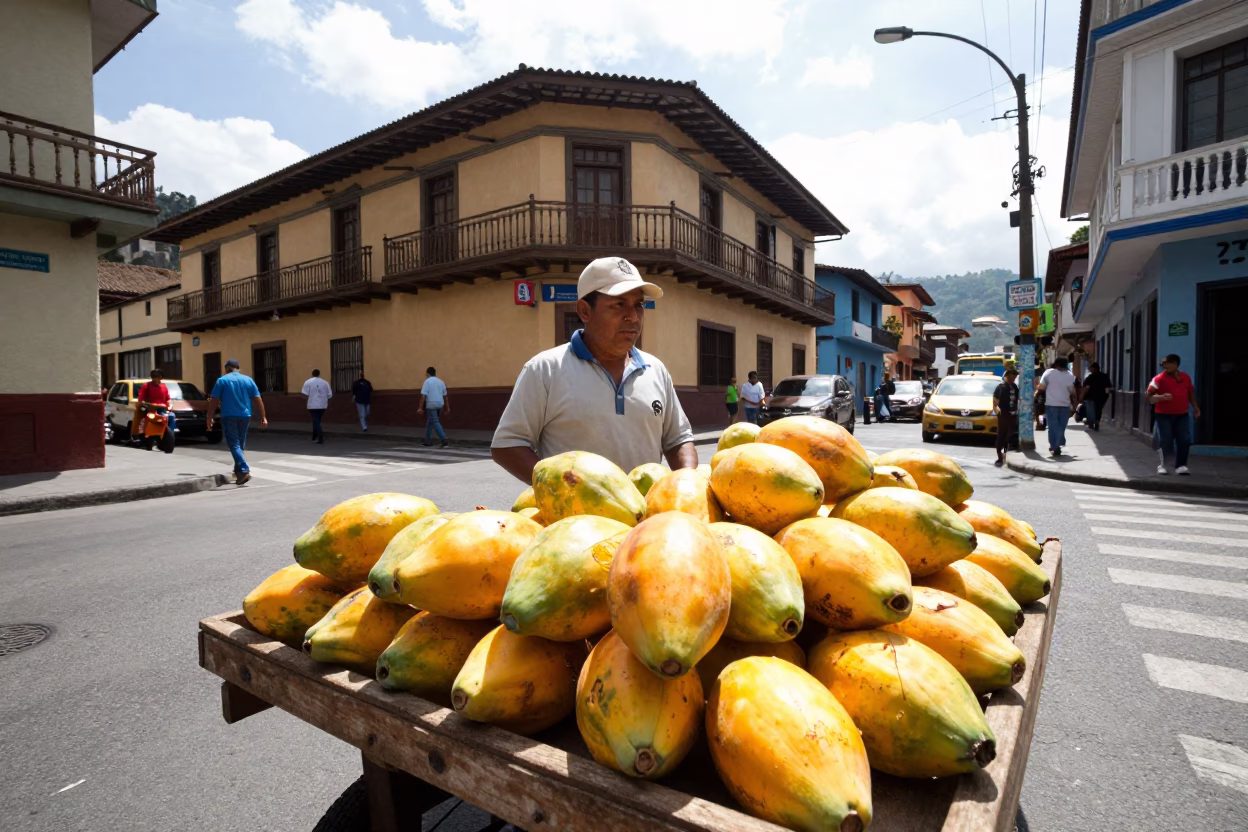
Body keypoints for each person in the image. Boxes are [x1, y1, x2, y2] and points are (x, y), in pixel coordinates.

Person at [491, 256, 696, 482]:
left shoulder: (655, 369)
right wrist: (563, 488)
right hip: (575, 517)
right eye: (619, 304)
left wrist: (686, 485)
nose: (633, 316)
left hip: (646, 516)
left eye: (639, 304)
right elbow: (507, 445)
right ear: (584, 311)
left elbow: (678, 440)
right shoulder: (545, 370)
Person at [207, 359, 267, 485]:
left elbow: (214, 400)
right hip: (245, 415)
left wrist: (209, 417)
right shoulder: (248, 380)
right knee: (240, 444)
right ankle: (238, 472)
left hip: (229, 416)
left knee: (234, 444)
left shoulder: (222, 380)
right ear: (238, 368)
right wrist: (263, 417)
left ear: (227, 368)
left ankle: (244, 469)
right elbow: (258, 399)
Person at [1147, 353, 1200, 475]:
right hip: (1163, 415)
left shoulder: (1186, 378)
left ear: (1175, 364)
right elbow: (1149, 397)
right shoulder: (1158, 379)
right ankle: (1163, 465)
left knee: (1184, 440)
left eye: (1167, 366)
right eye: (1163, 366)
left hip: (1182, 415)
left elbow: (1190, 394)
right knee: (1166, 440)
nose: (1165, 369)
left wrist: (1196, 408)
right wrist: (1160, 397)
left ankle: (1181, 465)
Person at [1037, 357, 1078, 457]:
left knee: (1052, 426)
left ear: (1055, 364)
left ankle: (1055, 446)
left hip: (1051, 404)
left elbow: (1041, 387)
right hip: (1065, 405)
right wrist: (1074, 406)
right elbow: (1073, 392)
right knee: (1061, 426)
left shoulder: (1049, 373)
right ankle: (1058, 442)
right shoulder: (1070, 375)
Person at [135, 368, 176, 446]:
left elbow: (168, 399)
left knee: (171, 416)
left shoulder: (164, 387)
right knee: (145, 419)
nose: (155, 379)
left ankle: (169, 435)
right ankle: (142, 435)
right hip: (150, 409)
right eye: (154, 377)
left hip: (162, 409)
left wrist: (170, 404)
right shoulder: (146, 386)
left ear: (161, 377)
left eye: (157, 377)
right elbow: (141, 399)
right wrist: (144, 403)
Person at [992, 368, 1021, 467]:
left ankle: (1005, 454)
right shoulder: (1000, 387)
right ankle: (1000, 457)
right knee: (1002, 436)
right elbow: (995, 403)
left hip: (1013, 414)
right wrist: (997, 411)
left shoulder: (1015, 387)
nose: (1013, 379)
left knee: (1009, 435)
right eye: (1012, 377)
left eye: (1015, 377)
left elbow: (1017, 400)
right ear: (1007, 376)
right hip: (1003, 414)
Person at [418, 367, 449, 448]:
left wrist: (420, 407)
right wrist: (447, 407)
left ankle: (444, 439)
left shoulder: (427, 382)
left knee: (435, 421)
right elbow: (445, 396)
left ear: (428, 374)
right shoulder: (441, 382)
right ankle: (427, 440)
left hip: (431, 404)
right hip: (440, 404)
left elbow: (423, 395)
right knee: (430, 422)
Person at [301, 369, 332, 444]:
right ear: (319, 374)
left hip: (313, 405)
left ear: (312, 374)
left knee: (316, 420)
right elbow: (329, 394)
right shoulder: (325, 383)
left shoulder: (308, 382)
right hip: (322, 405)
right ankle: (314, 436)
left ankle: (320, 436)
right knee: (317, 420)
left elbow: (304, 393)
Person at [1081, 362, 1113, 431]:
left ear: (1095, 369)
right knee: (1098, 410)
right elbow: (1108, 387)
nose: (1091, 371)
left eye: (1091, 369)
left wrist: (1082, 397)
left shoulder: (1090, 377)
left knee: (1092, 411)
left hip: (1092, 397)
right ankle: (1095, 423)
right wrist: (1106, 396)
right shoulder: (1103, 376)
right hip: (1099, 397)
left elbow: (1085, 387)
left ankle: (1093, 423)